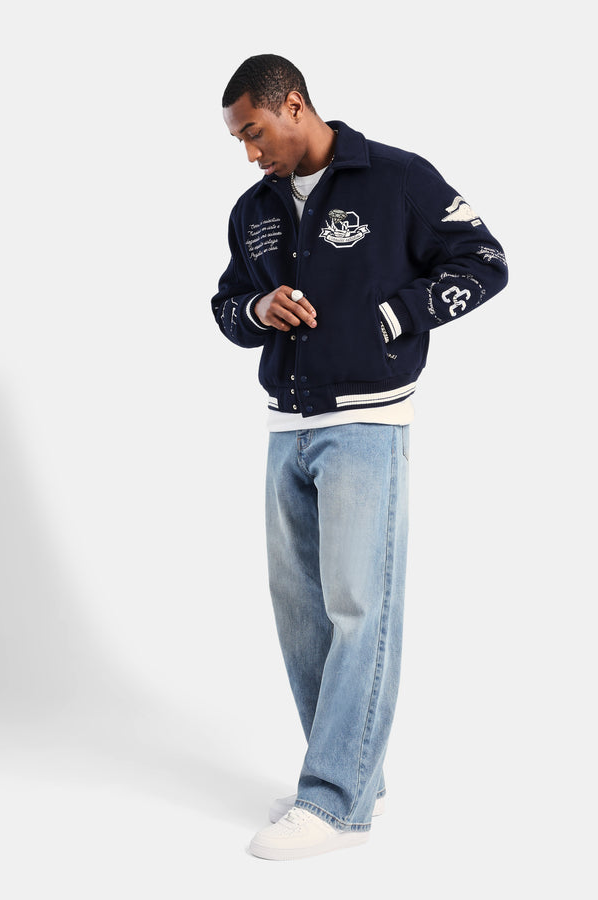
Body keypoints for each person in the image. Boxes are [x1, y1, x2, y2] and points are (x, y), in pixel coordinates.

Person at [211, 54, 508, 861]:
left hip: (367, 423)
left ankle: (336, 804)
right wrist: (259, 307)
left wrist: (394, 317)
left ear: (294, 106)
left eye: (254, 133)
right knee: (302, 615)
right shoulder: (254, 209)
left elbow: (486, 261)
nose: (250, 153)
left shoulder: (396, 178)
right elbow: (226, 306)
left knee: (358, 608)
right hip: (285, 426)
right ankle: (351, 774)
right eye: (239, 141)